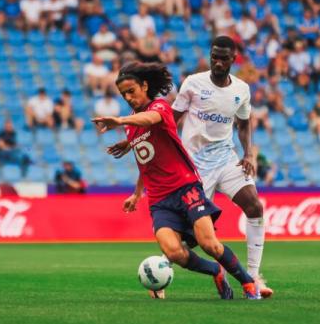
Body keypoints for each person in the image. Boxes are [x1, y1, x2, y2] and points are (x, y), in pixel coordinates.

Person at [95, 61, 261, 300]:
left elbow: (150, 118)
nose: (128, 97)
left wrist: (120, 121)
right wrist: (137, 193)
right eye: (124, 94)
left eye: (131, 91)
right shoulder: (132, 126)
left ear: (144, 86)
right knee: (173, 252)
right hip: (159, 199)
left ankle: (248, 282)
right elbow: (147, 162)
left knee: (209, 244)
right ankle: (215, 271)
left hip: (185, 188)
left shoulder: (159, 107)